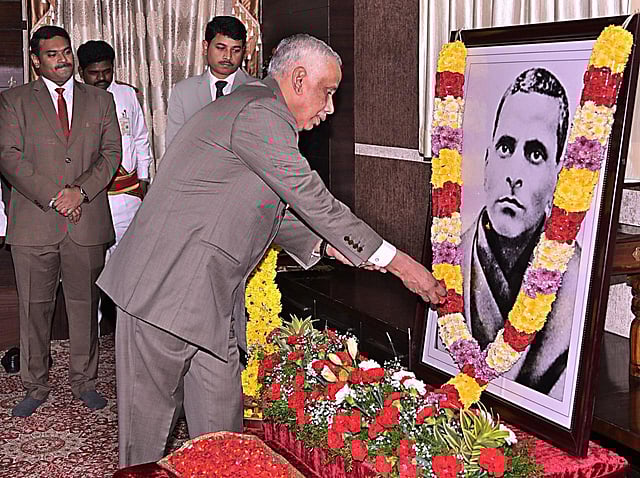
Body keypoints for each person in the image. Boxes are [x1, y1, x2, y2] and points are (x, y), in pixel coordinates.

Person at [97, 33, 446, 467]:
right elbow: (313, 199)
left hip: (212, 300)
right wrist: (402, 265)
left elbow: (265, 206)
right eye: (327, 92)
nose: (330, 108)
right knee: (144, 449)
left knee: (223, 440)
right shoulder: (260, 113)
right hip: (163, 294)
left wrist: (323, 244)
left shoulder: (255, 109)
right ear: (298, 79)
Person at [0, 25, 122, 417]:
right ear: (36, 60)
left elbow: (111, 154)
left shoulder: (100, 100)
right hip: (34, 223)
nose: (63, 60)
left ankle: (85, 381)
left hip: (86, 221)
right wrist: (57, 196)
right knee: (34, 309)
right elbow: (9, 157)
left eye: (66, 52)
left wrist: (79, 192)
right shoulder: (13, 101)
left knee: (85, 307)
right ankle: (35, 384)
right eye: (52, 54)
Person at [460, 67, 579, 399]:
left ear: (557, 176)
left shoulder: (577, 280)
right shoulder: (452, 256)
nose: (514, 174)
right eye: (505, 147)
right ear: (486, 160)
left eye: (535, 153)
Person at [77, 40, 153, 259]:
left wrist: (143, 178)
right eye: (94, 73)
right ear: (81, 72)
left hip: (127, 194)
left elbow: (140, 137)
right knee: (95, 262)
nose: (102, 78)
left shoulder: (127, 94)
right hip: (91, 198)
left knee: (128, 259)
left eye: (107, 71)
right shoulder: (74, 100)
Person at [165, 15, 252, 148]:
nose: (228, 56)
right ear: (205, 46)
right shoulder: (184, 92)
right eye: (221, 48)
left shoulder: (256, 90)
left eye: (235, 50)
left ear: (243, 51)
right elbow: (174, 147)